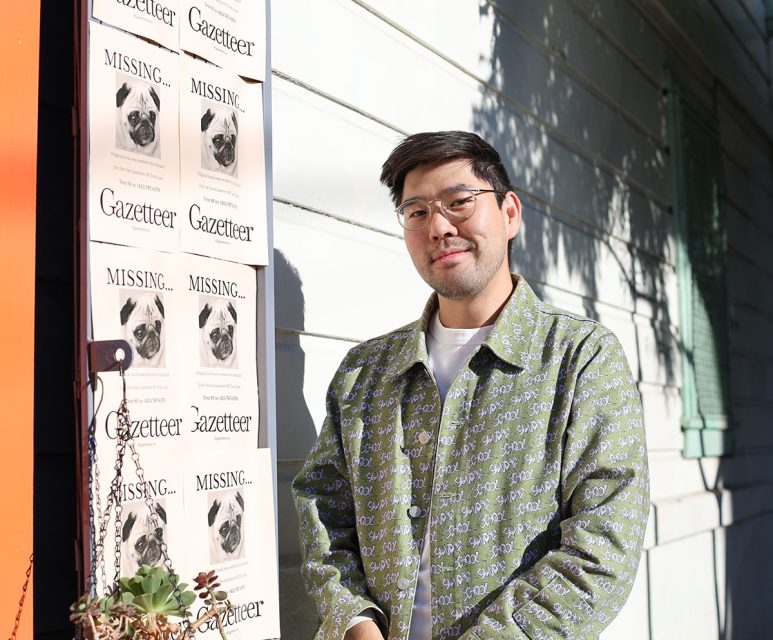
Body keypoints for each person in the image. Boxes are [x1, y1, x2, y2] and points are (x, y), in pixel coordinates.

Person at [292, 131, 649, 640]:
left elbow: (605, 541)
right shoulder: (365, 373)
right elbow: (323, 507)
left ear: (509, 214)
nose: (438, 226)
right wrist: (353, 619)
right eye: (416, 212)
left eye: (458, 203)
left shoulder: (578, 358)